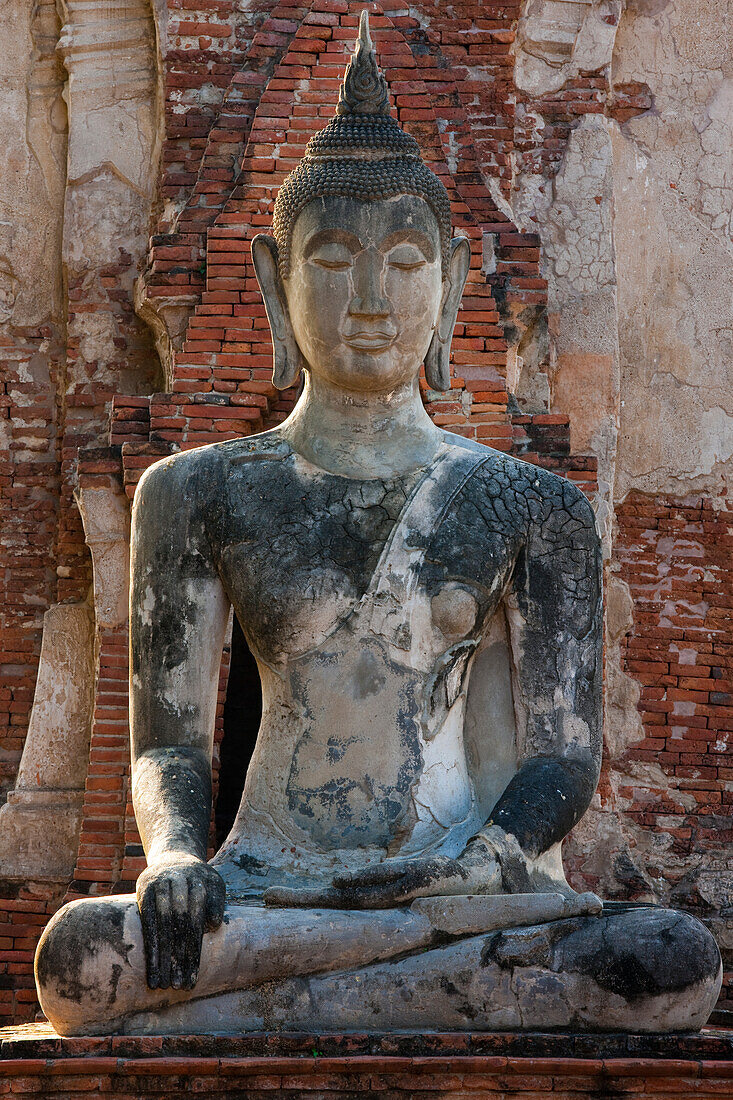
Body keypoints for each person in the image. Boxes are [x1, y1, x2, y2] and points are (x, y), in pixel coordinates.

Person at [35, 12, 721, 1036]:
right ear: (274, 281)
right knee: (83, 959)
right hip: (268, 883)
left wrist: (489, 858)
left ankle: (285, 1001)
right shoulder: (194, 490)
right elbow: (168, 743)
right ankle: (382, 986)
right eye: (333, 258)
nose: (369, 296)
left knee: (666, 959)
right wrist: (178, 856)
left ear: (446, 286)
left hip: (455, 889)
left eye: (403, 263)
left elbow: (562, 756)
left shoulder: (535, 504)